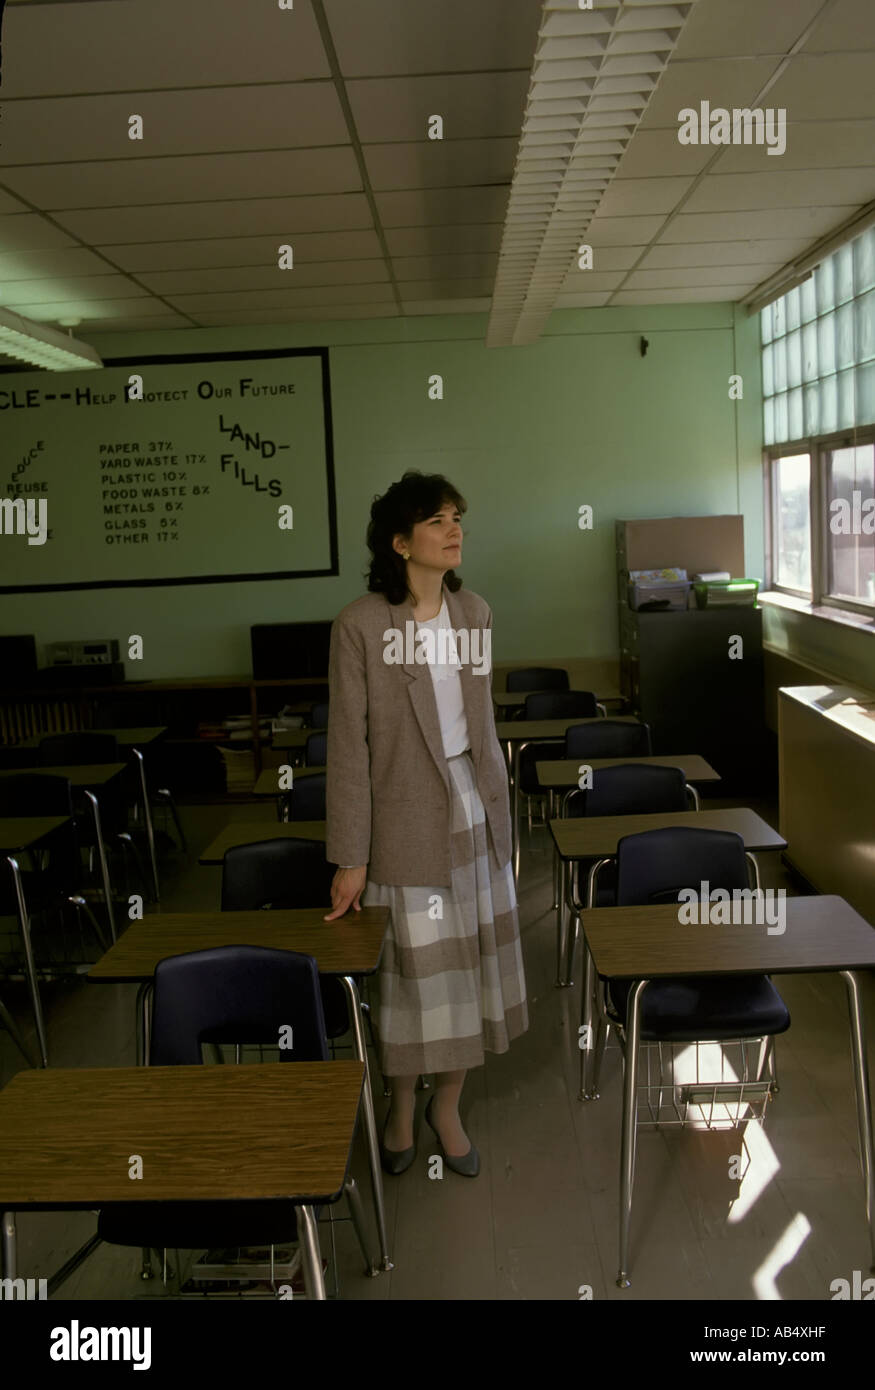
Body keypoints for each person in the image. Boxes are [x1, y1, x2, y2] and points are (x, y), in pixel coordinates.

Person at [324, 470, 528, 1177]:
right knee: (415, 978)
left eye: (456, 517)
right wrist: (350, 856)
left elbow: (483, 724)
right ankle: (401, 1107)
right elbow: (348, 747)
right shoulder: (360, 625)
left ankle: (448, 1107)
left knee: (465, 968)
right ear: (399, 542)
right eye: (437, 520)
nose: (454, 530)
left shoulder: (474, 614)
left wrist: (505, 826)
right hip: (402, 819)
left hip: (473, 804)